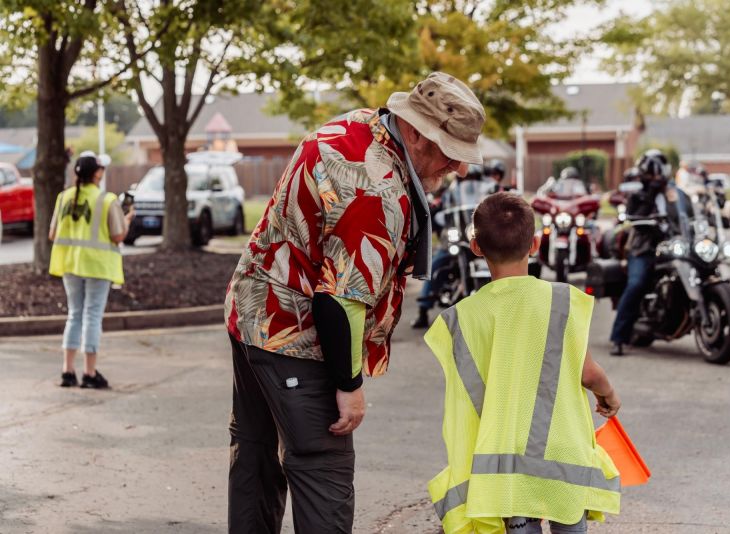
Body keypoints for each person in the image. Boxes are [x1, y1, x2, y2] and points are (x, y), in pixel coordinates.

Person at [224, 72, 486, 533]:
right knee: (322, 467)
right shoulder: (379, 191)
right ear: (419, 135)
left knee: (256, 455)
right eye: (452, 153)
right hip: (294, 333)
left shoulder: (359, 125)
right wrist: (349, 386)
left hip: (252, 310)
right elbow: (338, 301)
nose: (459, 169)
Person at [424, 192, 621, 534]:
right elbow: (588, 373)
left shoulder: (460, 319)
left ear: (477, 247)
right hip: (564, 451)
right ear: (534, 245)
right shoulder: (563, 301)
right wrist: (608, 396)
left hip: (505, 457)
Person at [49, 151, 134, 389]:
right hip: (97, 265)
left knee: (74, 314)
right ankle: (89, 372)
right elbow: (118, 235)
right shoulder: (106, 200)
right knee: (92, 316)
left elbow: (52, 234)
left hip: (69, 264)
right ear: (97, 173)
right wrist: (127, 221)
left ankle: (67, 371)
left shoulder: (63, 198)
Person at [609, 149, 691, 356]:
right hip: (643, 247)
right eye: (652, 173)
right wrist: (651, 195)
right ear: (645, 174)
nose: (657, 177)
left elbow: (689, 213)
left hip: (673, 245)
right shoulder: (638, 195)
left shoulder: (675, 194)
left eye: (659, 173)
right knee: (636, 284)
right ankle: (618, 337)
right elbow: (633, 216)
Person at [412, 163, 495, 328]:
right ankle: (423, 310)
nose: (468, 182)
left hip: (480, 238)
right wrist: (435, 214)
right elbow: (436, 209)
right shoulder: (449, 194)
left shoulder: (488, 193)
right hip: (456, 239)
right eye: (465, 178)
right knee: (434, 265)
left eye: (472, 178)